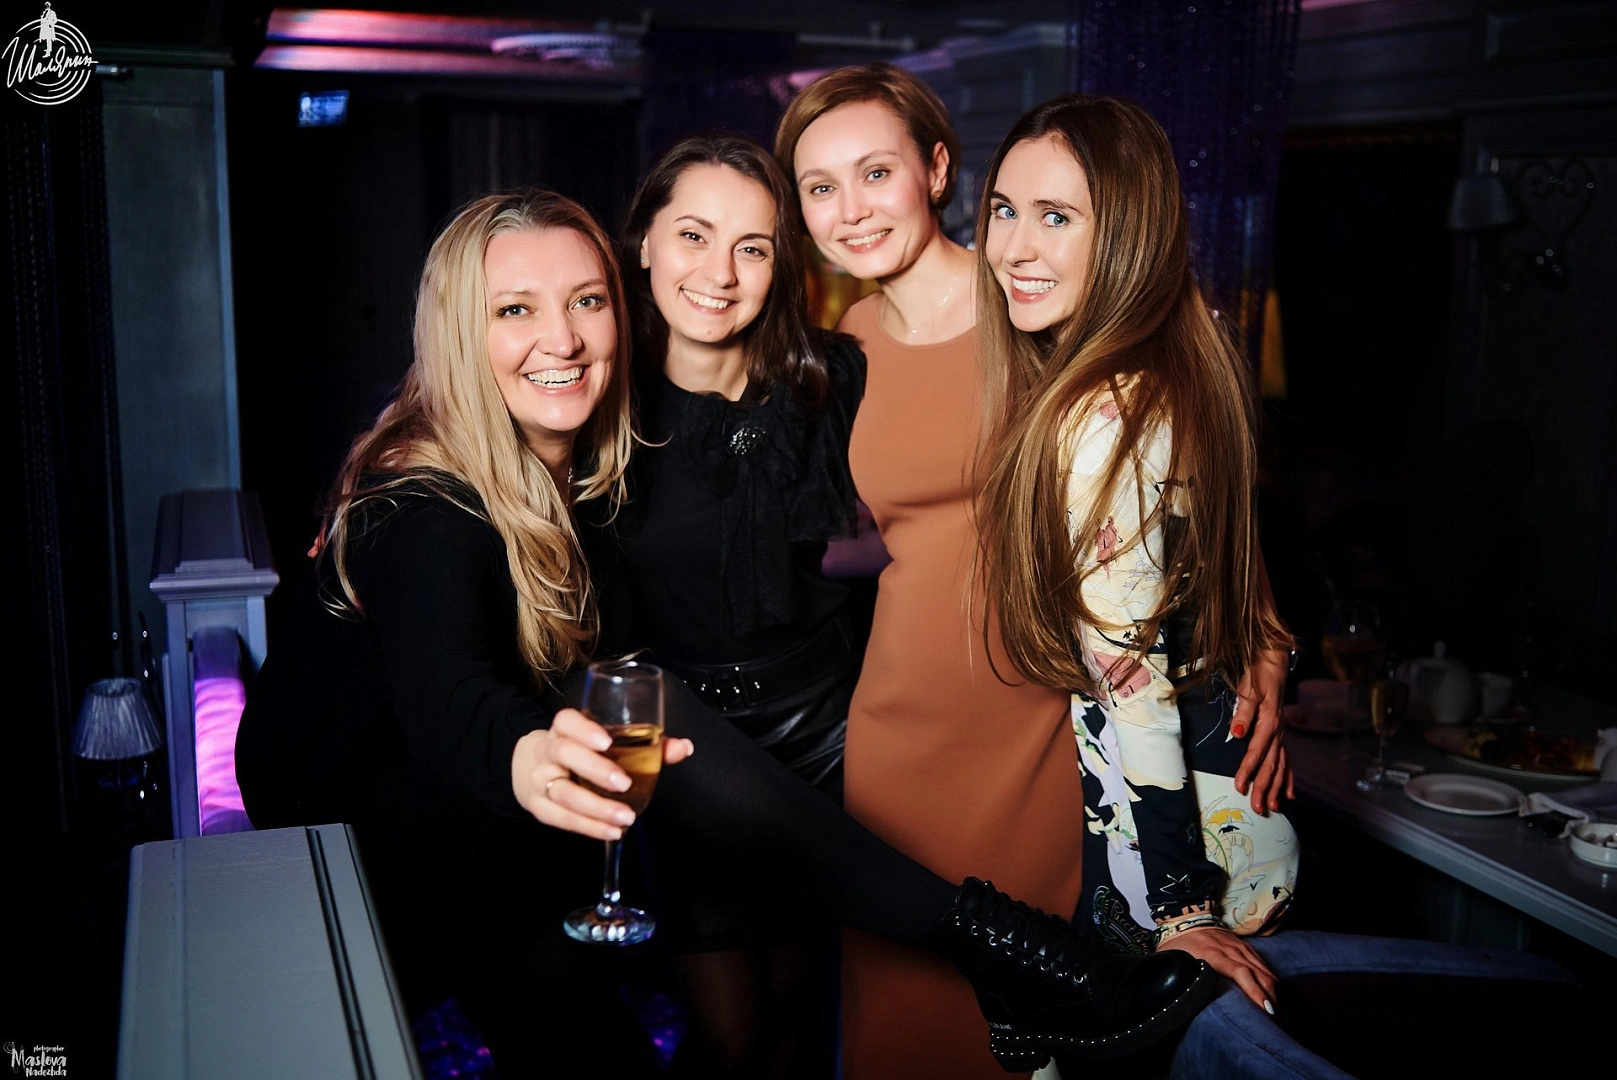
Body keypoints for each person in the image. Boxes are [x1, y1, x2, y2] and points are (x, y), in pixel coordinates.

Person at [234, 188, 1219, 1080]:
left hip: (505, 829)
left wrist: (1230, 623)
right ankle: (1018, 953)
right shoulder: (422, 503)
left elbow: (783, 550)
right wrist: (523, 751)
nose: (562, 339)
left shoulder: (587, 461)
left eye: (586, 301)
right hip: (360, 843)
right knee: (635, 709)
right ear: (458, 333)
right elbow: (444, 686)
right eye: (514, 311)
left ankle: (1016, 957)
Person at [774, 64, 1294, 1078]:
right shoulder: (851, 341)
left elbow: (1175, 498)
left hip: (1037, 726)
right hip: (895, 726)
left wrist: (1261, 631)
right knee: (897, 1026)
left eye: (874, 172)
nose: (851, 210)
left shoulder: (1038, 301)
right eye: (820, 186)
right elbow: (900, 532)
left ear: (935, 170)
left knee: (1023, 1030)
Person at [607, 133, 865, 1076]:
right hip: (687, 747)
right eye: (693, 235)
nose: (719, 273)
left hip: (824, 731)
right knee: (731, 1037)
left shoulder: (832, 381)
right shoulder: (594, 400)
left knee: (798, 1013)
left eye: (750, 247)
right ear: (643, 241)